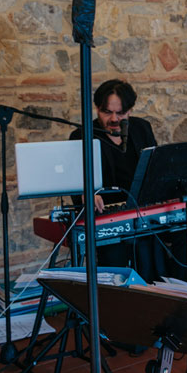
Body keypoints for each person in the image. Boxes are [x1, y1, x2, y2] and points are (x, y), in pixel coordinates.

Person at [69, 79, 168, 283]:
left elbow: (156, 169)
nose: (114, 119)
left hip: (143, 210)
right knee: (116, 266)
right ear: (97, 109)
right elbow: (75, 181)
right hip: (107, 215)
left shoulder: (141, 128)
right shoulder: (82, 135)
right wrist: (86, 193)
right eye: (107, 112)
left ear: (130, 111)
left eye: (120, 113)